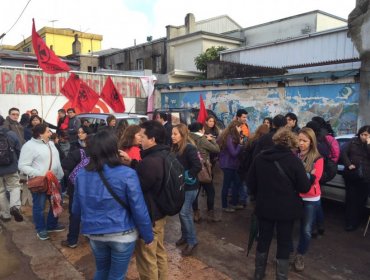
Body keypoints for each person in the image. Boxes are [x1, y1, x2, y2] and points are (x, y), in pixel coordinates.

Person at [72, 130, 153, 279]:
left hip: (95, 233)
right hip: (122, 233)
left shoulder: (81, 175)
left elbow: (76, 210)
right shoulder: (127, 173)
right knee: (117, 276)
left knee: (101, 270)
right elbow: (138, 208)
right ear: (114, 149)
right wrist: (148, 235)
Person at [247, 127, 311, 280]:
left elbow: (250, 184)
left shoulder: (260, 158)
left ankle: (258, 274)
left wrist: (261, 195)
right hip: (286, 210)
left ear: (275, 140)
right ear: (292, 144)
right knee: (284, 243)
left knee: (263, 240)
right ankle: (281, 277)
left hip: (264, 207)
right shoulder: (294, 161)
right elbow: (304, 187)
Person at [131, 120, 170, 280]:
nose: (139, 139)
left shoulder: (150, 162)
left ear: (152, 139)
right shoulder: (165, 154)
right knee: (159, 253)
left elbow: (138, 188)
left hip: (149, 217)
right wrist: (133, 163)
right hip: (161, 214)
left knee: (147, 259)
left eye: (142, 136)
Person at [18, 123, 65, 241]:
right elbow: (22, 165)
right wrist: (41, 174)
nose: (51, 133)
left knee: (56, 202)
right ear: (40, 134)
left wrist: (60, 175)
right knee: (39, 206)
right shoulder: (29, 146)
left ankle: (51, 225)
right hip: (40, 182)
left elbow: (57, 161)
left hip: (54, 180)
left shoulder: (51, 143)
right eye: (48, 131)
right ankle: (41, 229)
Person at [293, 127, 324, 272]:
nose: (301, 143)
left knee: (306, 230)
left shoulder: (318, 158)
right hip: (294, 196)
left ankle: (300, 255)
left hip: (311, 198)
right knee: (289, 224)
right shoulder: (294, 155)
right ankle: (286, 251)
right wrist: (306, 173)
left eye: (304, 141)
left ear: (311, 142)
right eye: (299, 140)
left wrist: (303, 175)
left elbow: (314, 179)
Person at [172, 123, 202, 256]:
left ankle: (192, 240)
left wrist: (186, 175)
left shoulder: (189, 148)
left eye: (175, 134)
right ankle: (185, 236)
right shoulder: (175, 147)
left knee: (185, 213)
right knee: (181, 212)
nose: (172, 136)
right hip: (180, 187)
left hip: (190, 187)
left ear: (183, 135)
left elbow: (197, 166)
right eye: (172, 134)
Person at [61, 126, 93, 248]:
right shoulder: (102, 156)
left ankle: (72, 240)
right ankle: (90, 236)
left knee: (75, 214)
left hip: (77, 188)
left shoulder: (78, 152)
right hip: (93, 189)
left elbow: (65, 164)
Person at [189, 122, 220, 222]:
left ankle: (196, 214)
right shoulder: (202, 139)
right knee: (210, 191)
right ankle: (210, 214)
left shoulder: (187, 138)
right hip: (203, 169)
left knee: (195, 192)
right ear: (201, 130)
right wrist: (213, 140)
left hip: (191, 168)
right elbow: (216, 149)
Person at [341, 125, 370, 232]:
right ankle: (349, 223)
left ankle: (356, 222)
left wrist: (368, 144)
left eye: (366, 135)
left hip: (365, 178)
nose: (363, 137)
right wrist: (348, 164)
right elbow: (343, 152)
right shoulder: (353, 142)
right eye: (362, 134)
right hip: (351, 176)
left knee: (360, 201)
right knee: (351, 200)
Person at [218, 120, 244, 212]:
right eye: (240, 126)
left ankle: (234, 203)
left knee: (237, 183)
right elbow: (233, 153)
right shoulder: (228, 137)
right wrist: (240, 144)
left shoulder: (232, 136)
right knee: (226, 185)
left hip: (233, 165)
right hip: (227, 164)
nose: (241, 128)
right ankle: (224, 206)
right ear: (235, 127)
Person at [0, 126, 23, 222]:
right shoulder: (11, 134)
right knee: (14, 187)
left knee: (0, 191)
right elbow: (19, 150)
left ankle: (5, 215)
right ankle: (14, 207)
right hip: (11, 167)